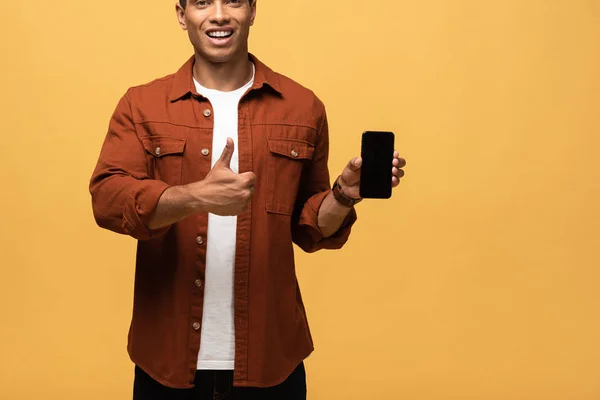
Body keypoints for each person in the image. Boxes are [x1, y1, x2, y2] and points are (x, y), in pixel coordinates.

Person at [89, 0, 406, 399]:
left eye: (234, 1)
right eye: (203, 2)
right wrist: (194, 197)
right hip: (166, 362)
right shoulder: (141, 105)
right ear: (182, 13)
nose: (219, 14)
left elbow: (309, 228)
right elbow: (107, 198)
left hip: (271, 362)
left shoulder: (302, 107)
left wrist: (343, 194)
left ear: (253, 10)